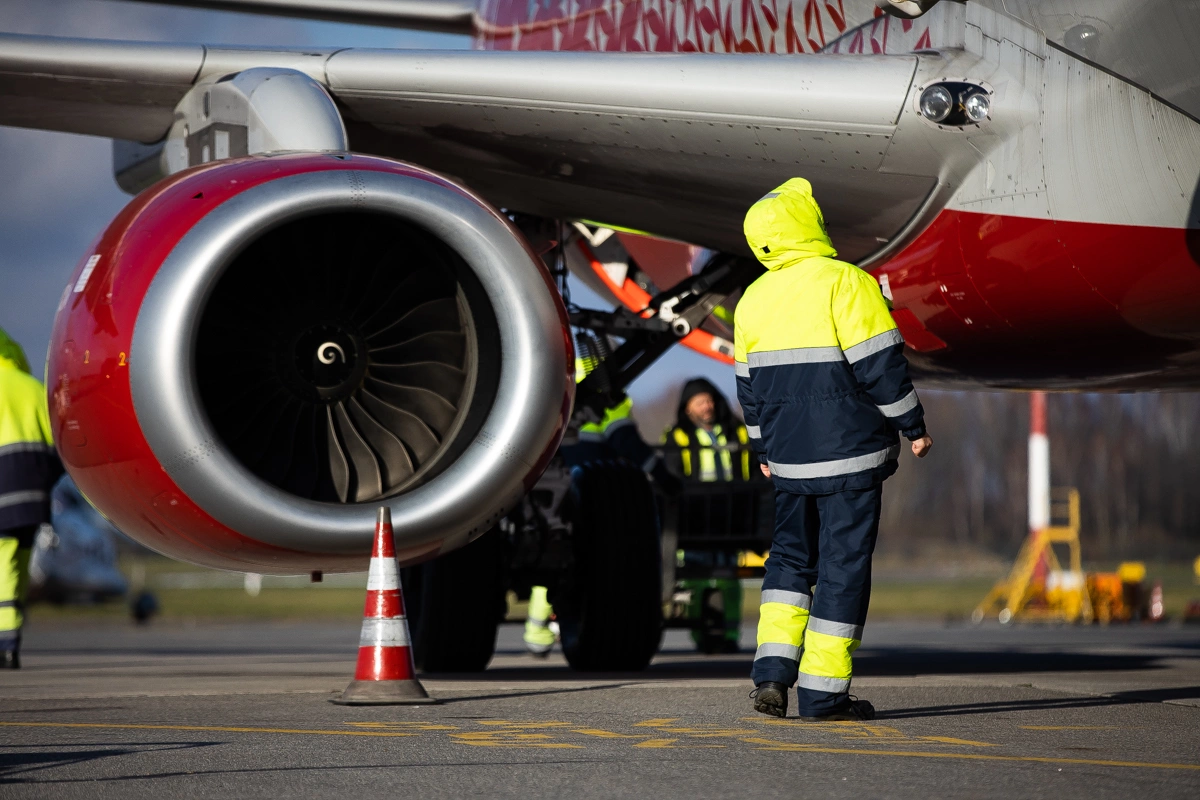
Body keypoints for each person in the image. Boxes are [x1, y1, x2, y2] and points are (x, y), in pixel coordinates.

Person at [735, 179, 932, 721]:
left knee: (790, 565)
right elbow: (881, 367)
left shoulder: (753, 299)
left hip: (789, 463)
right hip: (850, 459)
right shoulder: (847, 282)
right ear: (810, 226)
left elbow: (748, 391)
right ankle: (823, 694)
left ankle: (772, 676)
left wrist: (764, 450)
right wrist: (912, 425)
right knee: (842, 568)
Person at [523, 359, 680, 656]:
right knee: (580, 555)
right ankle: (547, 629)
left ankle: (537, 633)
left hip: (545, 482)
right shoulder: (600, 376)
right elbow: (625, 439)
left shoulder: (545, 368)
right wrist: (664, 478)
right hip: (587, 489)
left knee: (546, 550)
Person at [662, 378, 754, 652]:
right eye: (700, 401)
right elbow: (671, 475)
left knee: (729, 579)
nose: (707, 406)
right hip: (695, 519)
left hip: (729, 517)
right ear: (687, 407)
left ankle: (728, 636)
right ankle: (701, 637)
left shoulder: (736, 431)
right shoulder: (676, 435)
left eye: (710, 400)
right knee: (696, 579)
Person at [0, 327, 63, 668]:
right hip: (31, 497)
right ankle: (11, 640)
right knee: (19, 561)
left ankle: (5, 643)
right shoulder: (34, 390)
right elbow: (59, 448)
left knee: (4, 562)